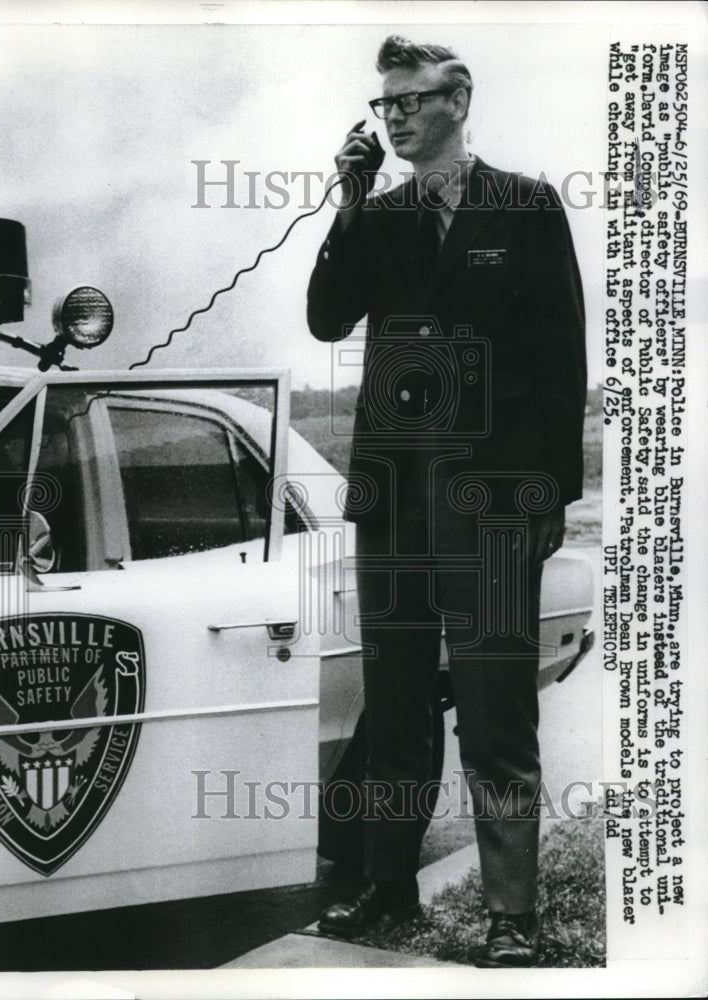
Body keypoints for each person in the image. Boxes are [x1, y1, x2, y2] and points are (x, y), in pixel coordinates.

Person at [306, 35, 586, 967]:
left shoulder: (528, 204)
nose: (394, 117)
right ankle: (387, 887)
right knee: (393, 706)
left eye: (412, 101)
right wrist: (348, 202)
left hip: (494, 498)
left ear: (458, 100)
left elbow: (560, 354)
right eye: (384, 104)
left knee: (497, 705)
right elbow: (326, 317)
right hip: (394, 498)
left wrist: (551, 495)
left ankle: (512, 913)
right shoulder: (377, 215)